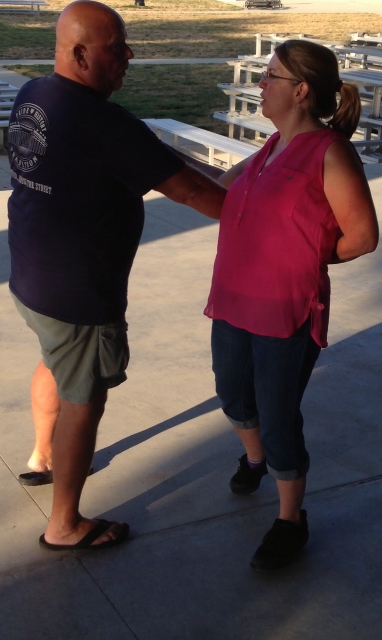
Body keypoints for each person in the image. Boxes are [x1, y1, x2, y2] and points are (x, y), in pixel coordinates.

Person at [7, 0, 226, 551]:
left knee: (56, 361)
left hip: (31, 278)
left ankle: (41, 456)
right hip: (80, 292)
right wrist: (261, 206)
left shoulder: (37, 93)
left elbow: (163, 165)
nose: (130, 55)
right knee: (84, 397)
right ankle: (64, 524)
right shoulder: (107, 124)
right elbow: (200, 195)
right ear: (80, 53)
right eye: (116, 47)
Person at [200, 40, 378, 570]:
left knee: (278, 416)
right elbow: (218, 190)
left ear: (299, 90)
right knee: (232, 394)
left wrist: (307, 257)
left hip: (284, 308)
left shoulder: (328, 150)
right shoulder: (272, 145)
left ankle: (290, 519)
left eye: (269, 76)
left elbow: (363, 236)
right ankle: (255, 460)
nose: (260, 84)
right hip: (232, 297)